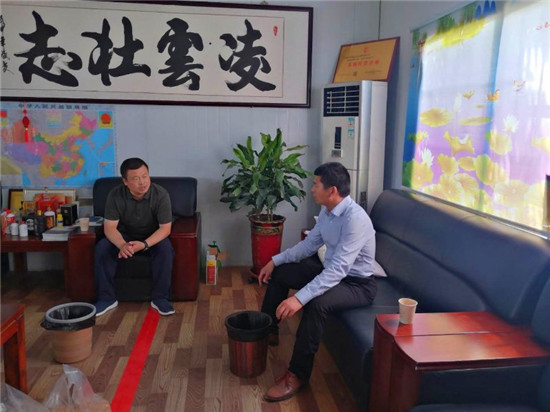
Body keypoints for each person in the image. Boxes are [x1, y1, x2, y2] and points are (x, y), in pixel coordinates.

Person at [258, 162, 377, 402]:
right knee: (282, 273)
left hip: (357, 284)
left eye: (316, 184)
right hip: (331, 270)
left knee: (316, 304)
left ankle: (297, 375)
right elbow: (309, 246)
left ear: (332, 190)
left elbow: (338, 270)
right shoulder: (326, 212)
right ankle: (267, 330)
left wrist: (299, 298)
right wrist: (274, 260)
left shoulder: (355, 220)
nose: (312, 189)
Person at [94, 157, 175, 317]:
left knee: (166, 250)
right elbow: (109, 227)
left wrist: (144, 244)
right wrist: (122, 245)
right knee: (102, 248)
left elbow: (165, 229)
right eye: (136, 179)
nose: (142, 182)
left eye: (145, 176)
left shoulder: (160, 194)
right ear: (125, 181)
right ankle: (106, 298)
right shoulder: (115, 195)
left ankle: (160, 298)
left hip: (152, 236)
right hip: (124, 235)